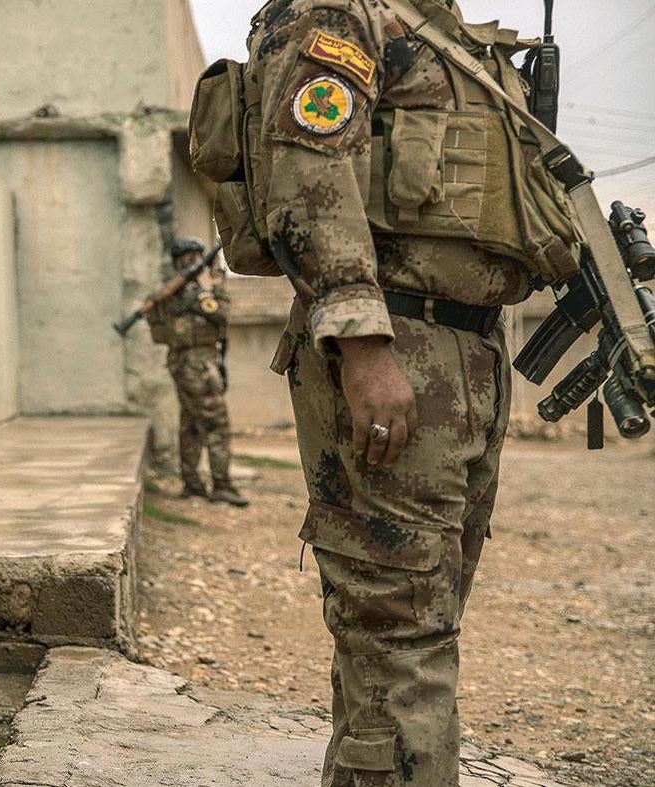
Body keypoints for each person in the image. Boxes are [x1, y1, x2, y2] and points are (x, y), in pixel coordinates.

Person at [238, 0, 585, 783]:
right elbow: (307, 171)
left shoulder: (453, 34)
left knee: (418, 623)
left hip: (469, 351)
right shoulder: (343, 12)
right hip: (396, 347)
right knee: (401, 631)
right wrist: (363, 345)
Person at [145, 236, 248, 507]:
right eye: (193, 258)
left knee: (190, 423)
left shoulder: (167, 294)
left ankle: (192, 482)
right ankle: (222, 484)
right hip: (198, 365)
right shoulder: (194, 293)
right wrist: (218, 281)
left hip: (181, 363)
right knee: (216, 424)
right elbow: (222, 314)